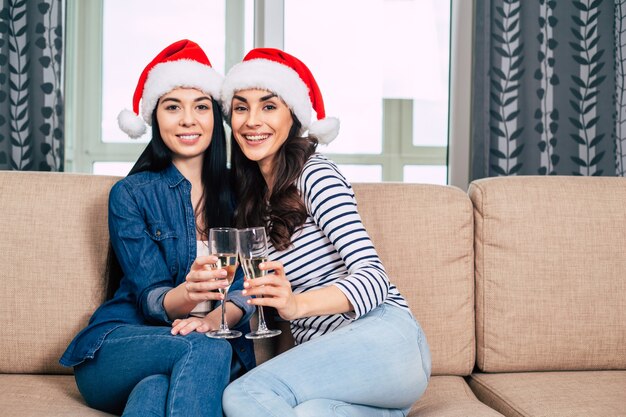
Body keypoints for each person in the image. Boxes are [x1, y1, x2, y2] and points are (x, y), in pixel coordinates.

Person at [220, 48, 431, 417]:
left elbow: (374, 277)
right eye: (241, 108)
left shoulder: (315, 174)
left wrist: (295, 305)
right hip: (338, 370)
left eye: (269, 106)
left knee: (245, 395)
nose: (253, 121)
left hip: (384, 337)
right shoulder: (250, 202)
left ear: (293, 116)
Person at [59, 39, 255, 417]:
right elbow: (150, 298)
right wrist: (188, 291)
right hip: (120, 347)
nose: (187, 119)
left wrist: (216, 318)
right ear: (155, 118)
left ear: (215, 115)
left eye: (200, 106)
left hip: (200, 354)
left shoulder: (242, 193)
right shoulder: (130, 194)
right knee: (210, 346)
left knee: (154, 393)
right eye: (172, 107)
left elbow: (249, 289)